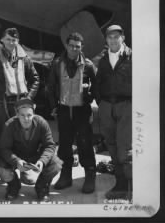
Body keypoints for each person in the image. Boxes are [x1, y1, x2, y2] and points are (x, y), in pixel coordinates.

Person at [47, 32, 97, 193]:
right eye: (71, 45)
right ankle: (65, 175)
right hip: (63, 110)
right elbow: (50, 87)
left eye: (77, 46)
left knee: (85, 143)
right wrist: (53, 106)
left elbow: (96, 87)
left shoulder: (88, 65)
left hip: (81, 110)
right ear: (66, 46)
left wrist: (89, 100)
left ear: (81, 48)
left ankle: (90, 176)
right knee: (64, 145)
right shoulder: (56, 64)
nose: (74, 49)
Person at [0, 27, 40, 148]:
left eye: (14, 40)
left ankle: (16, 162)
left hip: (21, 103)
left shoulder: (25, 59)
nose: (11, 42)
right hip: (1, 103)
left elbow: (35, 79)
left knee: (19, 134)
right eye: (8, 39)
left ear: (18, 41)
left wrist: (29, 98)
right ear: (2, 40)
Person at [0, 99, 62, 202]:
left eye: (29, 115)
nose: (26, 119)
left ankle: (41, 187)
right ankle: (14, 186)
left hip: (35, 155)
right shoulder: (9, 125)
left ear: (33, 114)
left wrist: (42, 161)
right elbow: (4, 149)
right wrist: (17, 161)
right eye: (22, 115)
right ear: (17, 115)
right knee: (2, 169)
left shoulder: (41, 123)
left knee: (56, 164)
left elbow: (50, 145)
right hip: (16, 156)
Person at [95, 25, 132, 200]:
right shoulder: (103, 60)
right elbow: (98, 83)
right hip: (107, 106)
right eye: (110, 37)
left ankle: (132, 186)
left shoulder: (132, 57)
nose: (113, 40)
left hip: (126, 105)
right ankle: (121, 185)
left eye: (116, 36)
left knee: (125, 147)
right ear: (106, 40)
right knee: (111, 144)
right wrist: (101, 103)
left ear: (122, 38)